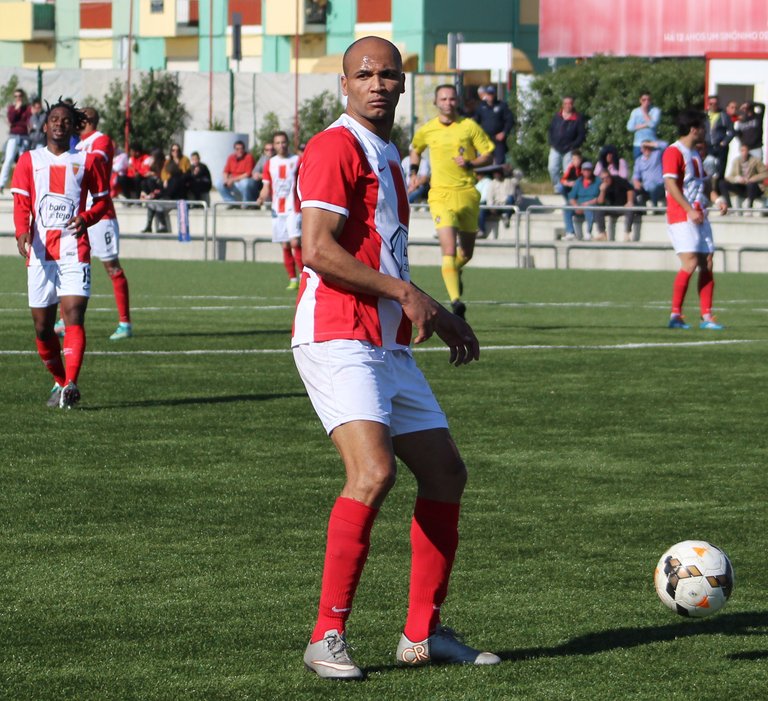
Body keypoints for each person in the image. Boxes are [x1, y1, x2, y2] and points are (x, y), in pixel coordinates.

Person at [294, 35, 499, 681]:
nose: (377, 83)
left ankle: (423, 633)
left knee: (446, 474)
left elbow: (382, 255)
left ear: (403, 85)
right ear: (345, 85)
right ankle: (326, 636)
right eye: (365, 74)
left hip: (388, 343)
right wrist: (407, 293)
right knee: (373, 472)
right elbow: (317, 250)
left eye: (388, 74)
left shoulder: (384, 152)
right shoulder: (334, 146)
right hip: (337, 335)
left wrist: (430, 306)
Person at [11, 99, 111, 408]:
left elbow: (102, 202)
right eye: (54, 119)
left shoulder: (88, 161)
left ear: (74, 127)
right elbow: (21, 203)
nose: (59, 123)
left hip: (74, 250)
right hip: (41, 253)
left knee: (73, 315)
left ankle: (71, 384)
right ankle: (59, 380)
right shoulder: (29, 160)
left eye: (66, 120)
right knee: (43, 328)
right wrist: (22, 231)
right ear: (45, 126)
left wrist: (87, 218)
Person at [410, 84, 494, 318]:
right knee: (448, 250)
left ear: (457, 102)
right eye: (444, 99)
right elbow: (415, 149)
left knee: (465, 253)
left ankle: (454, 271)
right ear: (436, 102)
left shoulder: (469, 127)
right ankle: (457, 303)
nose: (448, 103)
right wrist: (413, 172)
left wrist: (471, 163)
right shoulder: (428, 129)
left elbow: (488, 154)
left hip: (467, 194)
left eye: (452, 99)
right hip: (440, 195)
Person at [56, 107, 132, 341]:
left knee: (112, 267)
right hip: (78, 213)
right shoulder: (77, 143)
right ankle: (64, 319)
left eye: (78, 118)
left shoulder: (102, 140)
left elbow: (95, 162)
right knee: (68, 263)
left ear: (87, 120)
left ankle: (125, 323)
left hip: (101, 215)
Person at [663, 109, 728, 330]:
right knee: (690, 262)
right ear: (693, 129)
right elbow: (670, 184)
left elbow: (703, 185)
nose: (705, 131)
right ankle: (675, 315)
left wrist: (717, 200)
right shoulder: (673, 151)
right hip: (682, 215)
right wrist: (689, 209)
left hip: (700, 215)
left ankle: (707, 316)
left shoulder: (695, 154)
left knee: (707, 262)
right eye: (703, 127)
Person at [255, 131, 303, 290]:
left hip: (294, 207)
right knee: (285, 245)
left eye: (283, 142)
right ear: (274, 145)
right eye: (278, 143)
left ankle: (304, 277)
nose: (281, 145)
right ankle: (293, 279)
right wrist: (261, 197)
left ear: (287, 143)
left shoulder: (297, 160)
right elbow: (266, 186)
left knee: (295, 242)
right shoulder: (270, 163)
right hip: (277, 208)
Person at [547, 96, 586, 191]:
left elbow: (581, 135)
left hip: (570, 150)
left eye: (570, 103)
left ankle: (568, 190)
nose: (568, 105)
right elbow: (550, 130)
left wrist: (574, 146)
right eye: (566, 103)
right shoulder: (557, 116)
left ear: (573, 105)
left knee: (568, 171)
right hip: (555, 147)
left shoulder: (578, 118)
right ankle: (558, 188)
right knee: (552, 168)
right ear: (563, 105)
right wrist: (551, 142)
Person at [473, 84, 515, 165]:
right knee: (485, 161)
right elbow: (476, 122)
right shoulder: (481, 107)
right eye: (488, 94)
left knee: (499, 162)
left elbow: (510, 120)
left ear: (495, 94)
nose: (490, 96)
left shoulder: (502, 105)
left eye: (492, 94)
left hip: (498, 139)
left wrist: (504, 132)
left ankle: (499, 172)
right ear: (485, 94)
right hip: (485, 139)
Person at [719, 142, 767, 213]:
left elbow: (765, 173)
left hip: (753, 188)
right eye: (742, 150)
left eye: (745, 150)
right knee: (722, 183)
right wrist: (737, 179)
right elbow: (729, 177)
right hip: (742, 187)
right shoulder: (736, 161)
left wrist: (752, 179)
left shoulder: (755, 161)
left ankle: (749, 208)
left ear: (748, 151)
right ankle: (729, 206)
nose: (744, 153)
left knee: (751, 185)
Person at [0, 88, 31, 193]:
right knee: (8, 159)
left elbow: (27, 121)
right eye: (16, 96)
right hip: (13, 136)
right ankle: (1, 184)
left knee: (22, 161)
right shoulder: (12, 108)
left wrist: (20, 121)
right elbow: (11, 120)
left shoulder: (27, 108)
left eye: (20, 96)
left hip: (24, 136)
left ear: (23, 96)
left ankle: (21, 184)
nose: (18, 98)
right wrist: (17, 109)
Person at [594, 169, 636, 242]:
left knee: (630, 209)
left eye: (607, 177)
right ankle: (602, 234)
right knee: (598, 210)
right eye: (603, 178)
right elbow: (600, 202)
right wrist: (602, 191)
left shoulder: (618, 180)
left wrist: (629, 201)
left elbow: (630, 189)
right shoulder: (600, 185)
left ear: (610, 176)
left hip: (623, 207)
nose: (605, 180)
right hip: (610, 208)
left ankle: (627, 234)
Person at [566, 161, 600, 240]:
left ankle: (588, 232)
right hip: (579, 205)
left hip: (592, 204)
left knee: (589, 208)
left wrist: (587, 203)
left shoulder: (598, 181)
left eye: (589, 170)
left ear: (592, 170)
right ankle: (570, 232)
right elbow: (571, 197)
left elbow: (600, 198)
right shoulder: (578, 182)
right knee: (567, 207)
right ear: (581, 171)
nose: (587, 172)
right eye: (585, 170)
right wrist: (576, 206)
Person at [705, 95, 735, 184]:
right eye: (711, 103)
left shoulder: (724, 116)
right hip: (708, 145)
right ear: (708, 104)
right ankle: (709, 187)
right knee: (708, 167)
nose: (713, 105)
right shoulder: (705, 116)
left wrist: (724, 142)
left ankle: (719, 187)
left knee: (720, 170)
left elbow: (731, 131)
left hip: (720, 146)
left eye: (715, 103)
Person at [632, 140, 667, 209]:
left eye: (648, 147)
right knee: (632, 191)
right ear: (641, 149)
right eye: (644, 147)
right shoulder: (639, 160)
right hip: (645, 187)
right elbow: (636, 175)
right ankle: (637, 211)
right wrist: (636, 182)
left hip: (659, 186)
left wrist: (650, 144)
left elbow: (665, 145)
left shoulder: (656, 154)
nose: (646, 149)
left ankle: (653, 209)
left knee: (654, 190)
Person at [626, 91, 661, 160]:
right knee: (638, 164)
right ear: (640, 100)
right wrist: (646, 125)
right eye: (644, 100)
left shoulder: (655, 111)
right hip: (638, 145)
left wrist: (644, 112)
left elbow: (652, 125)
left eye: (648, 100)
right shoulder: (635, 112)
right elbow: (629, 127)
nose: (646, 102)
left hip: (652, 144)